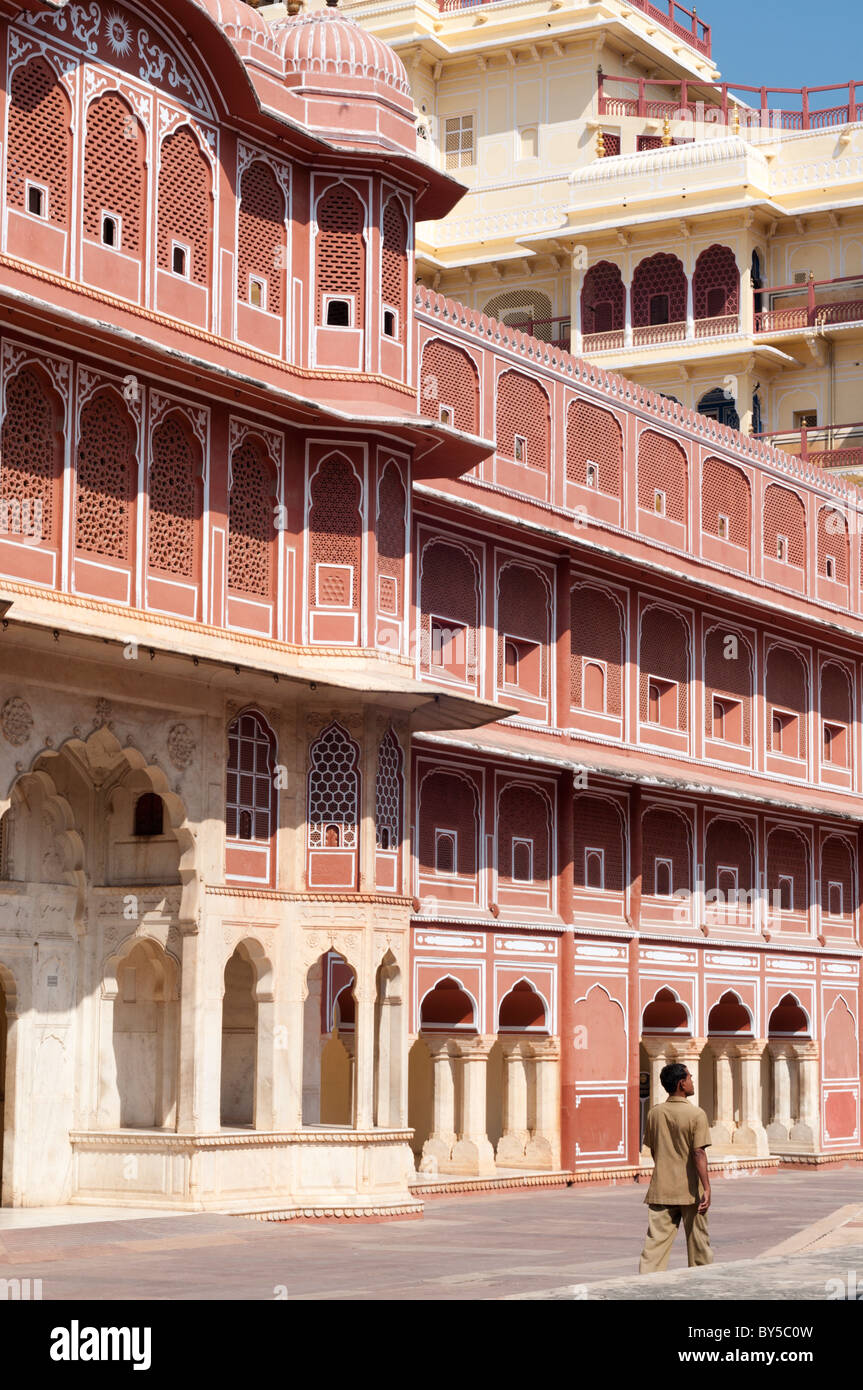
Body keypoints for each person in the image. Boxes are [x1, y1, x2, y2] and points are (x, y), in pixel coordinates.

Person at [639, 1060, 713, 1274]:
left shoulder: (655, 1113)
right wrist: (706, 1187)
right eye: (690, 1078)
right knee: (699, 1246)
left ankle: (644, 1287)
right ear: (681, 1083)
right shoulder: (696, 1115)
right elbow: (698, 1152)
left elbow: (655, 1150)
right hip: (691, 1191)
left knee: (654, 1248)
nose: (692, 1081)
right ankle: (701, 1287)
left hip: (661, 1188)